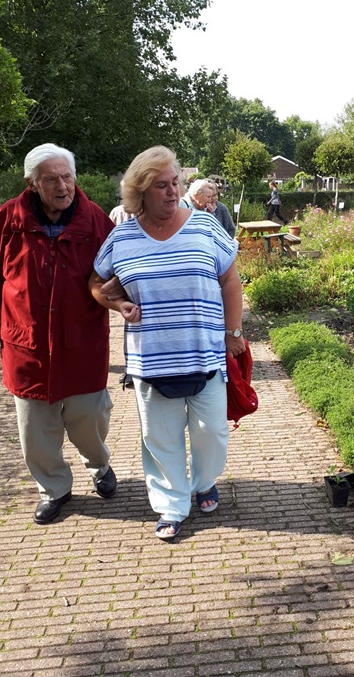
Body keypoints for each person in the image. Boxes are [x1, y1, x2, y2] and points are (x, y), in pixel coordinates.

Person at [89, 146, 245, 541]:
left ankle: (204, 482)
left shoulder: (205, 227)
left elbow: (230, 279)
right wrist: (117, 301)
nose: (173, 191)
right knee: (160, 438)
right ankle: (171, 505)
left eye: (175, 182)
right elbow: (95, 283)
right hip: (151, 359)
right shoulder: (121, 237)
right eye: (161, 185)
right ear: (140, 192)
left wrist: (234, 331)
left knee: (212, 432)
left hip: (205, 350)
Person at [0, 143, 117, 525]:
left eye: (67, 176)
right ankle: (54, 488)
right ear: (32, 183)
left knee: (90, 417)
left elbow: (118, 272)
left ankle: (99, 464)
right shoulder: (8, 218)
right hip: (27, 346)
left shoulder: (95, 220)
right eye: (51, 179)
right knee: (35, 428)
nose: (62, 186)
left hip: (82, 341)